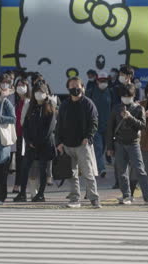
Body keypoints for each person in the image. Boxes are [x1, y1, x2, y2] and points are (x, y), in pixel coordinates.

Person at [107, 83, 148, 205]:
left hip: (134, 143)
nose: (126, 98)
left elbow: (143, 125)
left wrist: (130, 118)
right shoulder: (116, 108)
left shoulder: (139, 108)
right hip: (119, 143)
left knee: (140, 170)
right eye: (123, 95)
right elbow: (110, 128)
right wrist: (109, 147)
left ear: (133, 95)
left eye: (128, 96)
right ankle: (126, 196)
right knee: (121, 171)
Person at [56, 76, 101, 209]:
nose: (75, 88)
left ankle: (94, 199)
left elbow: (94, 122)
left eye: (77, 86)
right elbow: (59, 125)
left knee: (88, 172)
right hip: (67, 145)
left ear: (83, 88)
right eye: (72, 86)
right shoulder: (64, 104)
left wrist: (89, 137)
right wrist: (59, 142)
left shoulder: (88, 103)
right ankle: (75, 199)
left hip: (83, 144)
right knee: (71, 174)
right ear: (68, 88)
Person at [14, 80, 57, 202]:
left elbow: (49, 129)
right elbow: (25, 126)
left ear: (46, 93)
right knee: (25, 168)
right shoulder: (31, 107)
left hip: (44, 145)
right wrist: (28, 140)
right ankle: (22, 193)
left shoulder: (50, 108)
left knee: (43, 170)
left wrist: (37, 142)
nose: (38, 94)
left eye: (41, 92)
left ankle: (41, 194)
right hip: (30, 144)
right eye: (36, 92)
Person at [86, 70, 113, 179]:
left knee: (102, 150)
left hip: (108, 126)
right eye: (101, 81)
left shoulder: (111, 92)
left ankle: (97, 165)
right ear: (97, 81)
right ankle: (102, 169)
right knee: (98, 147)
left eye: (105, 81)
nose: (103, 83)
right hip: (95, 125)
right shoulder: (91, 92)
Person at [12, 78, 31, 194]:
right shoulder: (16, 102)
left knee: (29, 162)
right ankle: (17, 184)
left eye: (22, 85)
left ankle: (29, 185)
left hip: (28, 136)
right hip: (17, 136)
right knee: (19, 161)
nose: (20, 87)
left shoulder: (30, 102)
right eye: (18, 85)